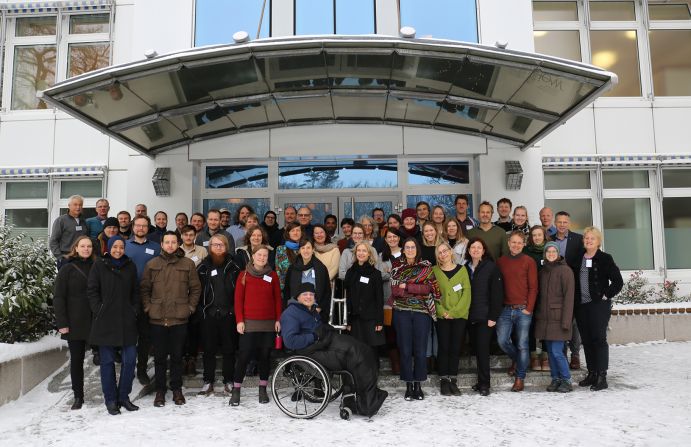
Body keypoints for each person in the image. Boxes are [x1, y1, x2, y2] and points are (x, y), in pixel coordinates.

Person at [280, 283, 388, 418]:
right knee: (355, 356)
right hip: (309, 351)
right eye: (305, 294)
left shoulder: (310, 310)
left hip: (323, 343)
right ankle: (366, 402)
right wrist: (314, 336)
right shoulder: (291, 314)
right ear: (298, 297)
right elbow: (290, 341)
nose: (308, 297)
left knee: (364, 349)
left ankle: (362, 396)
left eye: (311, 294)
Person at [141, 231, 201, 407]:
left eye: (173, 242)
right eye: (167, 242)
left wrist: (190, 308)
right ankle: (160, 391)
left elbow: (196, 289)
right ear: (161, 244)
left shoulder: (188, 264)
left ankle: (176, 389)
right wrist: (148, 307)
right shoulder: (152, 264)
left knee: (176, 357)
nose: (170, 245)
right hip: (157, 318)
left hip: (179, 318)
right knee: (159, 358)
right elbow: (144, 289)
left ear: (178, 244)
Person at [87, 235, 139, 415]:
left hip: (126, 320)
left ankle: (123, 396)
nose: (118, 250)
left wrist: (134, 310)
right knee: (107, 362)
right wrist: (98, 309)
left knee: (130, 360)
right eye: (115, 247)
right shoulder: (99, 264)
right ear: (108, 248)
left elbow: (135, 292)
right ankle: (110, 399)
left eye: (121, 247)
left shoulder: (130, 265)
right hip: (105, 320)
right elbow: (92, 290)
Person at [230, 245, 282, 406]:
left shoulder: (272, 275)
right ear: (253, 256)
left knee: (264, 357)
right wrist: (239, 320)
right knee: (244, 356)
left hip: (268, 323)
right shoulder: (243, 275)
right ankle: (236, 389)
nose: (262, 258)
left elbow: (277, 299)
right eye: (259, 255)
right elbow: (238, 300)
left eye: (265, 255)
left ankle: (262, 389)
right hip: (249, 323)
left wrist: (278, 319)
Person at [390, 237, 440, 401]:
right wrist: (418, 287)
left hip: (422, 313)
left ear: (417, 249)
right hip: (402, 312)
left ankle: (418, 385)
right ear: (403, 249)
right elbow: (395, 290)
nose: (410, 250)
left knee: (420, 349)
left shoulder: (426, 267)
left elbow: (430, 288)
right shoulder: (397, 267)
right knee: (405, 350)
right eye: (407, 247)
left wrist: (408, 286)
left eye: (413, 247)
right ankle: (408, 385)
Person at [574, 227, 623, 392]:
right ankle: (592, 373)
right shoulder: (578, 257)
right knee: (586, 340)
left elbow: (617, 281)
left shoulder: (605, 258)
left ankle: (602, 376)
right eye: (586, 238)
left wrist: (606, 295)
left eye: (592, 239)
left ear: (598, 241)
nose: (588, 241)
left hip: (598, 306)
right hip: (581, 306)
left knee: (599, 339)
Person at [196, 234, 241, 397]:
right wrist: (202, 310)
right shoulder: (203, 267)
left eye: (221, 245)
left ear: (226, 246)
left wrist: (234, 310)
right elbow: (197, 291)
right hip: (209, 314)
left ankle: (229, 381)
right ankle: (208, 381)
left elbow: (240, 291)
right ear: (210, 247)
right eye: (215, 245)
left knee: (229, 349)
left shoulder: (234, 266)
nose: (218, 247)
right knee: (209, 350)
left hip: (229, 314)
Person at [54, 236, 96, 410]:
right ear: (76, 248)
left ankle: (111, 393)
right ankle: (78, 395)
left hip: (97, 321)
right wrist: (62, 322)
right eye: (83, 246)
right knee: (77, 360)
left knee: (106, 358)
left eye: (89, 246)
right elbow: (58, 297)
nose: (86, 249)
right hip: (75, 321)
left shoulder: (98, 266)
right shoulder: (67, 269)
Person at [496, 231, 538, 392]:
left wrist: (529, 308)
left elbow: (534, 287)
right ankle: (519, 360)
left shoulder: (529, 261)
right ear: (508, 243)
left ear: (524, 244)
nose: (516, 245)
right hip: (505, 309)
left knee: (522, 344)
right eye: (513, 242)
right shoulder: (501, 262)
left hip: (523, 310)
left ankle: (520, 378)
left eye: (519, 242)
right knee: (502, 341)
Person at [464, 237, 503, 396]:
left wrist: (493, 316)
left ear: (484, 250)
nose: (475, 250)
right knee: (475, 350)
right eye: (472, 247)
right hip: (469, 316)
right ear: (468, 250)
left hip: (485, 317)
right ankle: (480, 381)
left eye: (478, 247)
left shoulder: (491, 267)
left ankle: (485, 384)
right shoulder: (464, 268)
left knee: (482, 351)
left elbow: (497, 294)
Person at [124, 215, 161, 385]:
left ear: (148, 228)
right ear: (133, 227)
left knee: (145, 337)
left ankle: (142, 370)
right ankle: (128, 369)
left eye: (144, 226)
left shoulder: (155, 247)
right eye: (138, 225)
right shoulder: (123, 246)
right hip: (128, 297)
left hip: (150, 297)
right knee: (129, 336)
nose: (140, 228)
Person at [432, 242, 471, 396]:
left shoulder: (462, 271)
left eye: (445, 251)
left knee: (455, 348)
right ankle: (444, 380)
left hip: (459, 316)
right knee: (444, 347)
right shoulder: (434, 271)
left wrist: (454, 312)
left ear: (450, 252)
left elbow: (466, 294)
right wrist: (442, 312)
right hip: (442, 316)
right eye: (439, 252)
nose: (443, 254)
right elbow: (433, 294)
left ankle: (453, 379)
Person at [536, 242, 575, 393]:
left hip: (559, 319)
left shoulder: (565, 271)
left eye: (554, 251)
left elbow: (569, 297)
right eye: (548, 251)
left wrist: (566, 321)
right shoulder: (543, 271)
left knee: (558, 351)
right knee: (550, 352)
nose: (551, 254)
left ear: (558, 253)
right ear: (545, 254)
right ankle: (555, 378)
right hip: (546, 319)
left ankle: (566, 379)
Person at [554, 211, 584, 369]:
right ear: (555, 223)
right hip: (556, 289)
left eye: (565, 222)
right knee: (560, 321)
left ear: (569, 224)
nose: (562, 225)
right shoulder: (550, 240)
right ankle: (563, 353)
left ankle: (575, 354)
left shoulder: (578, 240)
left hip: (573, 287)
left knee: (573, 323)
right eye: (559, 222)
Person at [344, 242, 385, 358]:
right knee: (356, 349)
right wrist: (347, 320)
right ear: (355, 253)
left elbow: (379, 298)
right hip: (355, 318)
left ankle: (371, 375)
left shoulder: (375, 274)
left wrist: (379, 321)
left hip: (371, 318)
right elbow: (347, 297)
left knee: (370, 350)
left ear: (369, 254)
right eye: (359, 250)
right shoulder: (350, 272)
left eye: (364, 251)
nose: (361, 253)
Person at [284, 238, 331, 322]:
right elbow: (287, 291)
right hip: (295, 310)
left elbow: (327, 291)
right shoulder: (292, 268)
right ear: (299, 251)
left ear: (313, 249)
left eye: (308, 248)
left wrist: (319, 308)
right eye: (303, 248)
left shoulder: (321, 268)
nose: (306, 251)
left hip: (315, 310)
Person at [524, 225, 550, 371]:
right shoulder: (526, 251)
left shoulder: (550, 250)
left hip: (547, 294)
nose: (537, 237)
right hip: (531, 293)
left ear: (544, 235)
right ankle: (533, 356)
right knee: (531, 325)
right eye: (534, 235)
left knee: (546, 324)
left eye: (539, 235)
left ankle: (545, 356)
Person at [380, 228, 403, 375]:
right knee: (390, 333)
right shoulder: (381, 256)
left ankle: (405, 361)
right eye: (389, 237)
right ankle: (395, 364)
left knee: (403, 332)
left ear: (399, 238)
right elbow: (378, 275)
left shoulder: (407, 252)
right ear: (386, 239)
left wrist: (392, 273)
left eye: (395, 236)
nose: (392, 239)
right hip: (387, 301)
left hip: (404, 301)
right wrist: (390, 274)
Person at [50, 195, 88, 268]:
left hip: (82, 259)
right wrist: (60, 257)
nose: (78, 207)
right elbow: (53, 241)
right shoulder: (61, 220)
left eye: (80, 205)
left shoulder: (84, 221)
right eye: (75, 204)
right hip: (67, 259)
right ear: (69, 206)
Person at [275, 222, 302, 292]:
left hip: (303, 289)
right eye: (293, 231)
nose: (295, 233)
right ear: (288, 233)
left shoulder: (305, 248)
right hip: (285, 289)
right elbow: (278, 271)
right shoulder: (280, 249)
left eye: (298, 230)